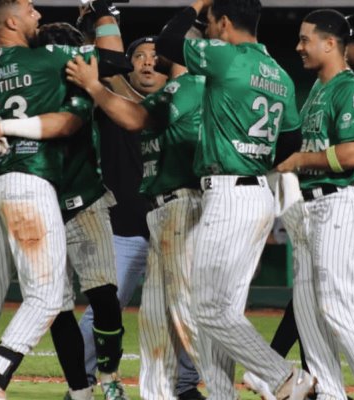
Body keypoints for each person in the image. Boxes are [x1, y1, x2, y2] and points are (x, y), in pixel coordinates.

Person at [0, 0, 129, 398]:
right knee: (48, 297)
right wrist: (103, 12)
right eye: (30, 7)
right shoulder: (49, 58)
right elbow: (115, 59)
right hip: (31, 186)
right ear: (12, 20)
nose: (38, 13)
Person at [156, 0, 314, 398]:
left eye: (209, 23)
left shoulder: (225, 56)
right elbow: (291, 142)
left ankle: (283, 378)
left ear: (224, 22)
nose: (206, 30)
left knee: (208, 309)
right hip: (259, 190)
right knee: (221, 312)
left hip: (229, 196)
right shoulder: (278, 72)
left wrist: (193, 6)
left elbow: (168, 42)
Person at [66, 26, 211, 400]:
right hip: (125, 226)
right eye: (139, 56)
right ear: (126, 67)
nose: (148, 61)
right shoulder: (114, 105)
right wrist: (99, 25)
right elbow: (104, 70)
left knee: (184, 310)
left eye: (154, 56)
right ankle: (80, 383)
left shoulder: (181, 101)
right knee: (105, 309)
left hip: (180, 221)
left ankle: (183, 384)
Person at [274, 9, 354, 399]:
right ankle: (330, 393)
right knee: (308, 311)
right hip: (311, 206)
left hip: (340, 201)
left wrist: (300, 161)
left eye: (305, 39)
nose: (299, 46)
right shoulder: (317, 93)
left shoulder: (350, 89)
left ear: (329, 43)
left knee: (339, 305)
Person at [31, 21, 127, 400]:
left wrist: (104, 17)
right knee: (56, 305)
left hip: (84, 200)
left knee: (104, 297)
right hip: (39, 204)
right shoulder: (27, 84)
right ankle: (79, 388)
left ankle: (110, 375)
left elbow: (116, 61)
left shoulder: (85, 84)